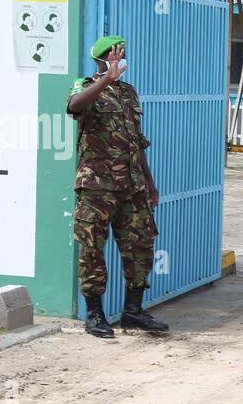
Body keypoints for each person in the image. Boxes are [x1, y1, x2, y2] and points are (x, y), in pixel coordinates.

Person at [67, 35, 168, 338]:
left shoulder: (129, 93)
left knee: (140, 245)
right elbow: (73, 107)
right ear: (101, 60)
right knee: (92, 249)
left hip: (133, 186)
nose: (119, 60)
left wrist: (149, 183)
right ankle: (95, 314)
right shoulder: (85, 87)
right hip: (97, 187)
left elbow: (137, 143)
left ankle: (133, 312)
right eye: (113, 56)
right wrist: (104, 80)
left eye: (121, 55)